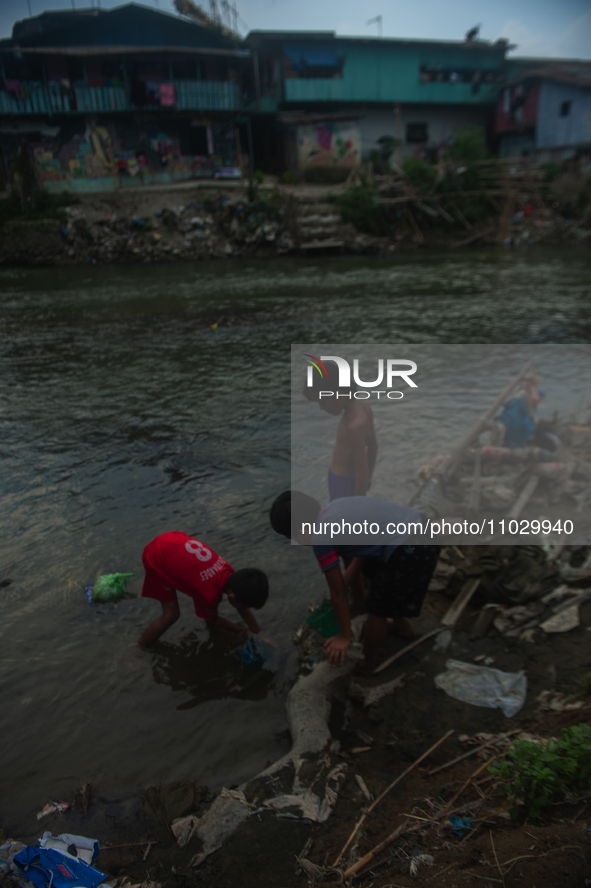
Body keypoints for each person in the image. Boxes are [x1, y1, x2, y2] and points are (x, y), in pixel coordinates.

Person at [270, 491, 439, 673]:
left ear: (300, 530)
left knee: (377, 610)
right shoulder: (336, 506)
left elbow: (338, 593)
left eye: (290, 537)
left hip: (410, 548)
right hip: (423, 529)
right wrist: (355, 597)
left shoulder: (321, 537)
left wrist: (344, 636)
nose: (292, 541)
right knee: (379, 581)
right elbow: (360, 553)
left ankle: (367, 663)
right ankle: (400, 625)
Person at [137, 531, 268, 648]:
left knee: (210, 614)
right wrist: (244, 630)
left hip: (171, 539)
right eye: (244, 606)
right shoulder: (209, 594)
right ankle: (137, 649)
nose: (244, 608)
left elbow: (240, 606)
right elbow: (213, 618)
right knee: (171, 615)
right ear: (231, 597)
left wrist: (258, 633)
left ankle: (215, 631)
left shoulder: (230, 573)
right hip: (155, 557)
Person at [304, 365, 378, 500]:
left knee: (344, 518)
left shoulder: (354, 426)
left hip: (344, 484)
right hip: (345, 482)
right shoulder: (364, 407)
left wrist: (358, 503)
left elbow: (361, 471)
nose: (321, 408)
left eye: (323, 402)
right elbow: (373, 447)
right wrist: (369, 478)